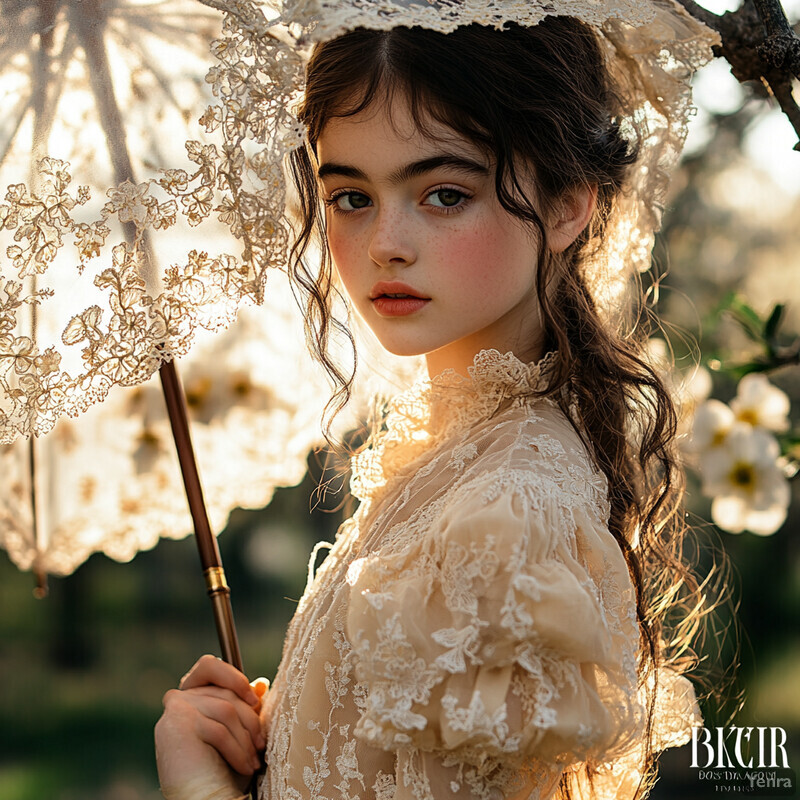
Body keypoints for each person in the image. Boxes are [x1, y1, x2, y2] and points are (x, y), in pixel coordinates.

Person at [155, 1, 723, 798]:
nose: (386, 241)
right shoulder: (453, 459)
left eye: (444, 194)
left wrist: (200, 793)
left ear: (567, 204)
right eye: (351, 197)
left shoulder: (506, 511)